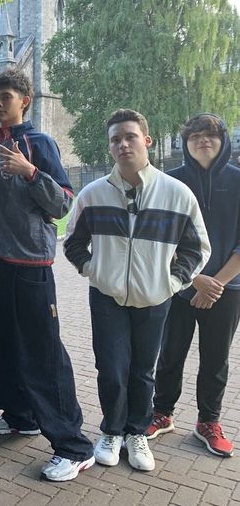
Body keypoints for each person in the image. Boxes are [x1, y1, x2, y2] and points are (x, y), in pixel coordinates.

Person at [65, 109, 209, 472]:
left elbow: (197, 247)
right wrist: (93, 270)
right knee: (111, 368)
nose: (123, 144)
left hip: (155, 297)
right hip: (107, 296)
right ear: (110, 147)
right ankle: (112, 431)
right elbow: (72, 241)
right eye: (116, 139)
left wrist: (171, 282)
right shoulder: (94, 194)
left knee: (144, 370)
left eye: (130, 136)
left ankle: (136, 432)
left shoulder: (177, 194)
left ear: (146, 140)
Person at [0, 69, 94, 482]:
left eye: (5, 96)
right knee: (0, 350)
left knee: (43, 357)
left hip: (28, 270)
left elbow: (62, 205)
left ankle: (73, 446)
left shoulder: (39, 144)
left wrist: (30, 172)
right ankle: (19, 416)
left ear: (25, 99)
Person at [148, 113, 240, 458]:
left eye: (211, 136)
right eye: (196, 136)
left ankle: (208, 422)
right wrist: (193, 279)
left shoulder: (238, 180)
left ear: (223, 141)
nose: (203, 141)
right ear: (185, 143)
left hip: (226, 289)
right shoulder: (169, 183)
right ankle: (162, 413)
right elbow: (158, 240)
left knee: (216, 359)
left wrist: (215, 283)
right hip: (178, 285)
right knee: (170, 354)